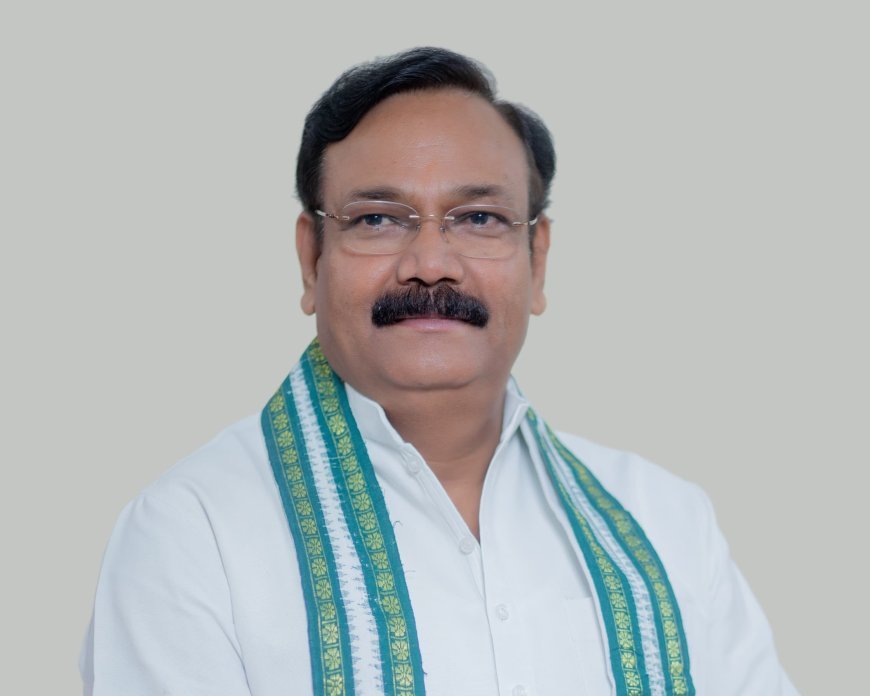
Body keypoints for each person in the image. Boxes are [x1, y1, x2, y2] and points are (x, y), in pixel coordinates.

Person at [80, 47, 797, 696]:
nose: (430, 264)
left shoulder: (665, 521)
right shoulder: (191, 532)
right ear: (311, 259)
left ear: (538, 260)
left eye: (479, 218)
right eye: (378, 219)